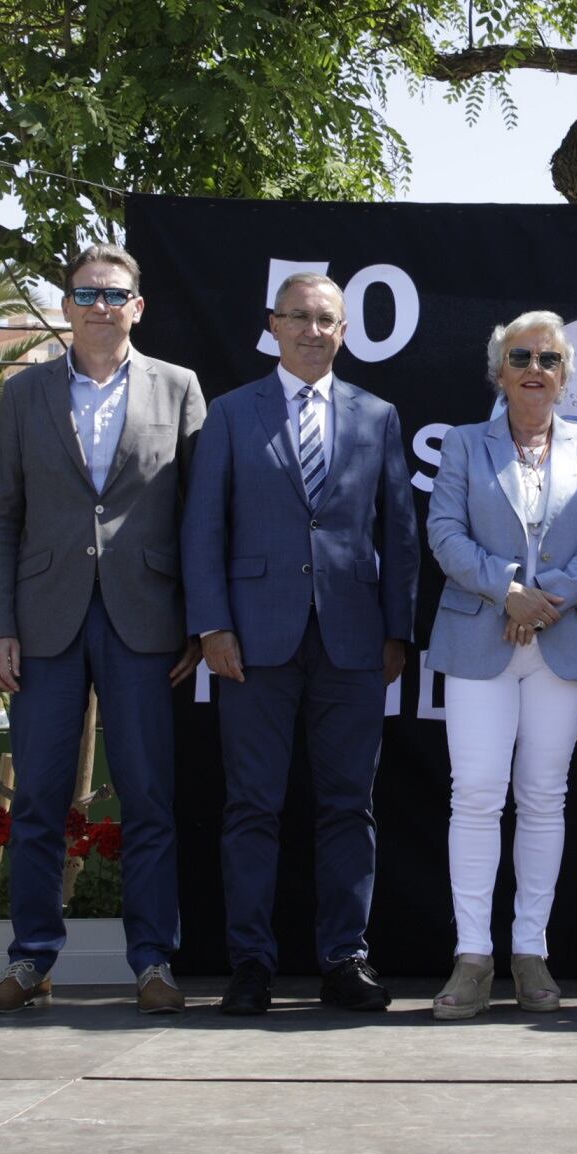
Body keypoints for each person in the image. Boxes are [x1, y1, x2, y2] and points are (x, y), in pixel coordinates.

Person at [0, 243, 209, 1018]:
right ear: (66, 306)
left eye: (115, 295)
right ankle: (29, 957)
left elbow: (199, 520)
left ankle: (152, 962)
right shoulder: (25, 393)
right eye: (86, 293)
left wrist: (199, 623)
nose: (101, 306)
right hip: (42, 622)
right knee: (37, 798)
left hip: (146, 621)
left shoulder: (178, 389)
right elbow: (0, 515)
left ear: (138, 306)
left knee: (148, 798)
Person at [183, 270, 419, 1015]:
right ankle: (250, 963)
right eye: (300, 318)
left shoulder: (377, 415)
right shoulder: (229, 413)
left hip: (352, 643)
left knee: (348, 806)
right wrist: (212, 625)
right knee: (251, 806)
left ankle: (345, 960)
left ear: (344, 331)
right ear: (272, 325)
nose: (313, 331)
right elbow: (202, 529)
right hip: (251, 641)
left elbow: (399, 536)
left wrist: (395, 632)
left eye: (327, 320)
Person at [424, 311, 577, 1019]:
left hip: (560, 643)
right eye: (520, 356)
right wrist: (507, 590)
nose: (534, 368)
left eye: (548, 357)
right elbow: (442, 532)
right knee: (476, 793)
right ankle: (473, 956)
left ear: (565, 374)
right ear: (498, 371)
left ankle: (530, 951)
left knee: (543, 796)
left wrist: (547, 603)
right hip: (481, 638)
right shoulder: (462, 445)